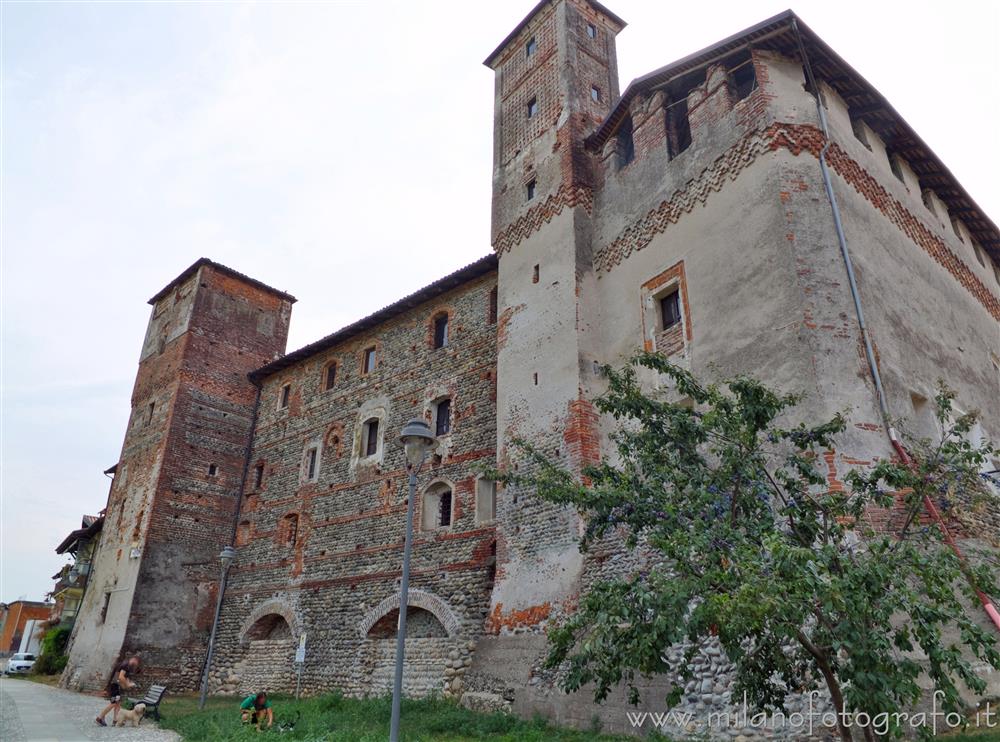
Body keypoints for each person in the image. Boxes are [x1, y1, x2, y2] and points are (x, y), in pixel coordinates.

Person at [95, 655, 140, 727]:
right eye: (137, 663)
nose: (136, 666)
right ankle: (100, 718)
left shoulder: (125, 665)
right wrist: (128, 685)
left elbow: (124, 678)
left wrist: (127, 684)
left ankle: (115, 720)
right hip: (115, 686)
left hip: (116, 685)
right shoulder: (126, 665)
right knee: (114, 703)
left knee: (118, 703)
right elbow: (121, 677)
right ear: (134, 660)